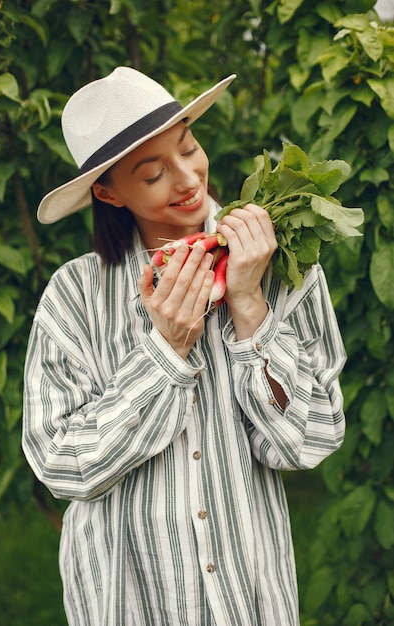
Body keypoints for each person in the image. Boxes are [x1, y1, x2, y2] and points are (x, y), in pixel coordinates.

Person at [22, 66, 346, 626]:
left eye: (189, 147)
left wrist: (250, 308)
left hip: (250, 597)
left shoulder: (280, 266)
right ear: (107, 192)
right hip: (127, 599)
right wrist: (165, 351)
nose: (188, 178)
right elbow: (62, 465)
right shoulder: (73, 295)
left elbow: (310, 441)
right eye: (152, 174)